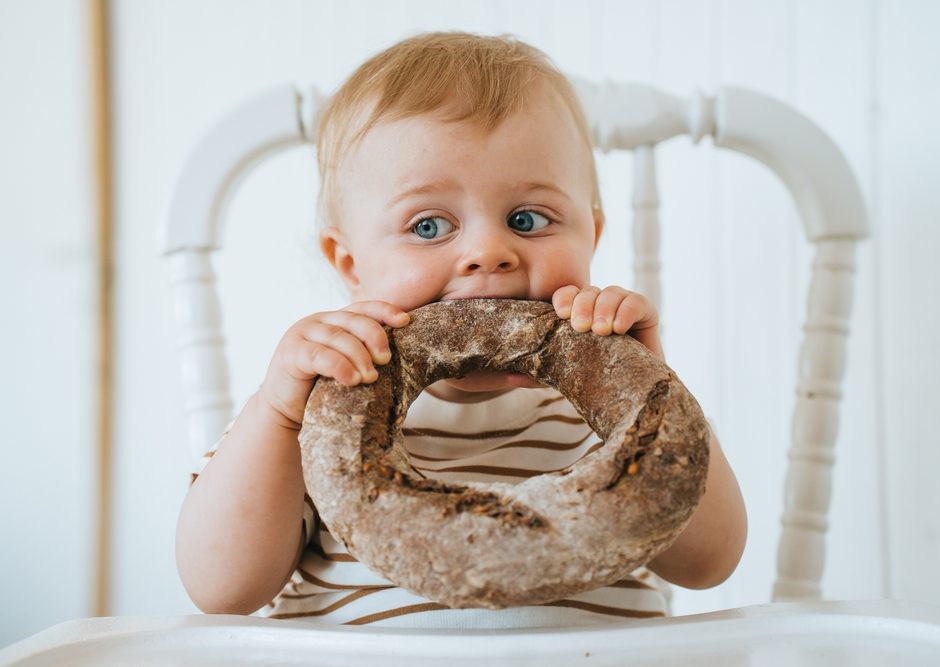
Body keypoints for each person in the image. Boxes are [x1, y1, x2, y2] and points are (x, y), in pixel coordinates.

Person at [175, 31, 746, 628]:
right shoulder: (311, 413)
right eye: (428, 226)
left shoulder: (609, 421)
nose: (487, 252)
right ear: (351, 265)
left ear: (591, 237)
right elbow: (222, 589)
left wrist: (655, 387)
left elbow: (708, 563)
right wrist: (277, 413)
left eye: (527, 219)